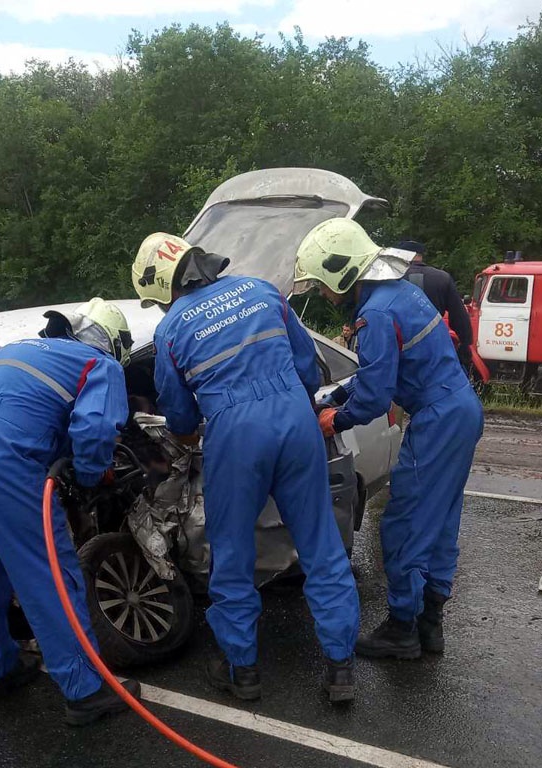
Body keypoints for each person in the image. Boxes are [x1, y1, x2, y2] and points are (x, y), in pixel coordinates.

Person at [132, 232, 359, 703]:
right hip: (295, 419)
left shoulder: (171, 328)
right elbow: (307, 366)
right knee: (321, 545)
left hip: (234, 433)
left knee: (233, 556)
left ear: (162, 289)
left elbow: (179, 416)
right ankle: (340, 671)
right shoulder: (260, 290)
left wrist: (197, 432)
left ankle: (244, 672)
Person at [0, 298, 140, 726]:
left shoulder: (14, 349)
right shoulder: (100, 365)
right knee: (48, 576)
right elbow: (96, 427)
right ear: (113, 343)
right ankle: (85, 689)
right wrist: (89, 474)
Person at [295, 219, 484, 660]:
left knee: (403, 524)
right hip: (458, 409)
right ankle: (430, 627)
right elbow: (381, 372)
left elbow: (376, 395)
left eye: (323, 284)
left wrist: (334, 420)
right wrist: (338, 394)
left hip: (438, 418)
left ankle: (402, 629)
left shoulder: (375, 314)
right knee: (440, 523)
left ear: (342, 270)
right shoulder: (398, 293)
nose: (323, 293)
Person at [397, 240, 474, 367]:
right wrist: (465, 343)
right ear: (420, 255)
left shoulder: (393, 279)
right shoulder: (442, 278)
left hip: (400, 344)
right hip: (434, 343)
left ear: (401, 255)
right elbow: (459, 316)